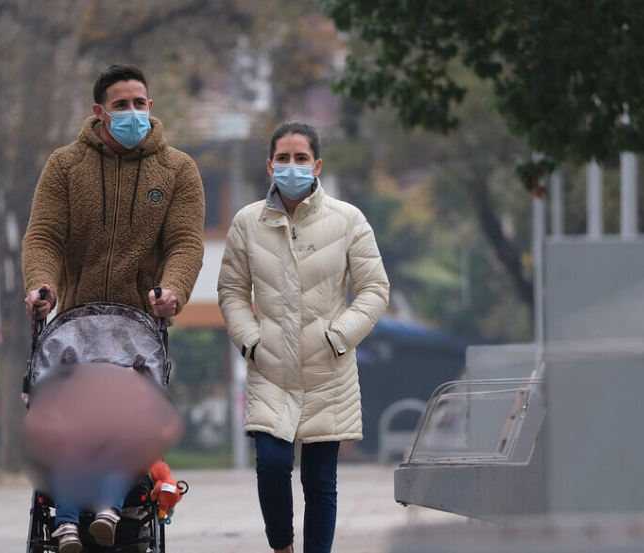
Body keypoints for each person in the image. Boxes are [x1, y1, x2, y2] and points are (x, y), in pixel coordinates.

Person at [22, 63, 205, 553]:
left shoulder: (178, 170)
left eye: (139, 103)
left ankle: (110, 508)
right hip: (75, 328)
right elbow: (44, 237)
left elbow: (185, 243)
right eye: (121, 105)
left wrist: (173, 291)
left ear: (151, 106)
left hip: (139, 331)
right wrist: (42, 286)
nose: (132, 113)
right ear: (99, 111)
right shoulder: (64, 166)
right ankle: (69, 518)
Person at [217, 121, 390, 553]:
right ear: (270, 165)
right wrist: (251, 342)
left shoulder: (348, 220)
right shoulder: (246, 223)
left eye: (300, 158)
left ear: (316, 165)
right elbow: (231, 292)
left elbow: (375, 289)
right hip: (271, 367)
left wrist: (339, 336)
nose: (291, 166)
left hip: (326, 368)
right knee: (272, 467)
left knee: (319, 481)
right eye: (282, 158)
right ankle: (282, 547)